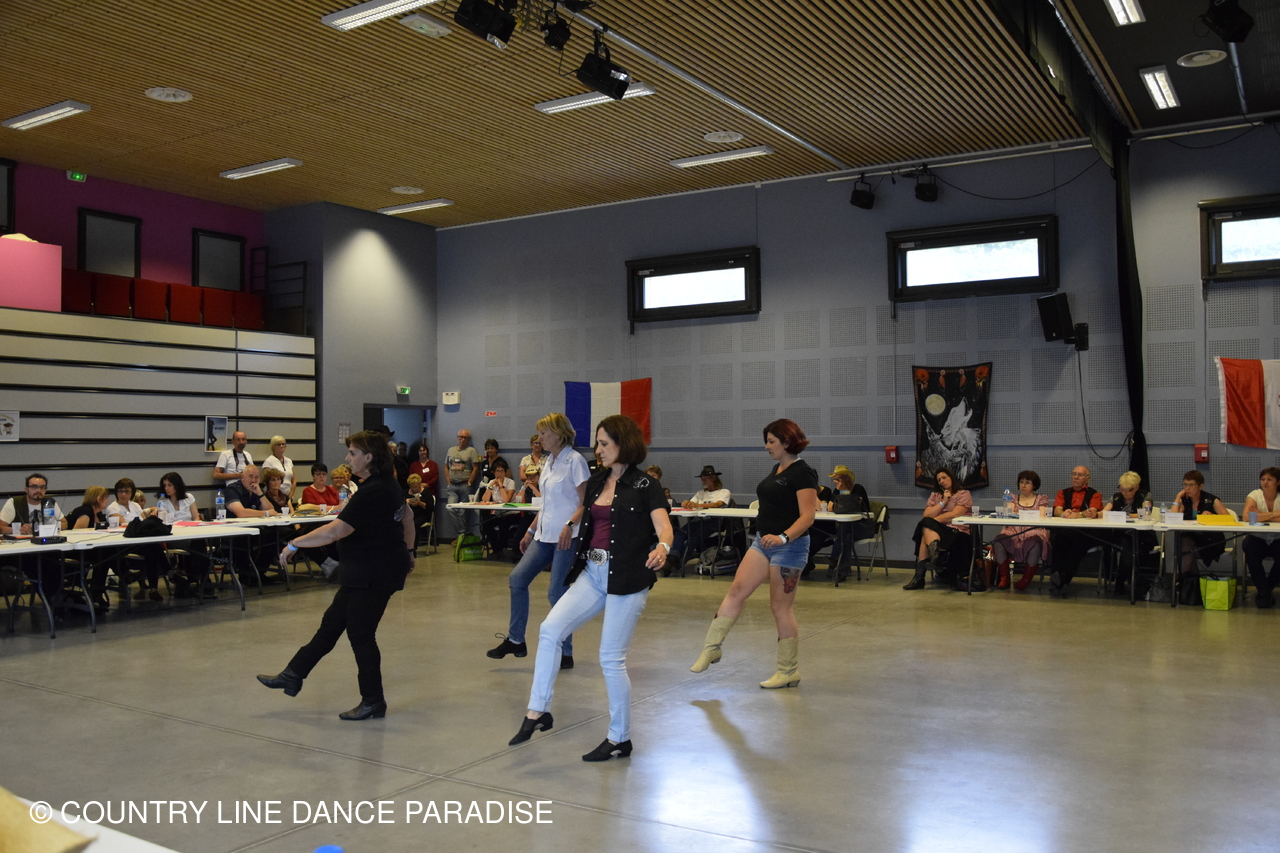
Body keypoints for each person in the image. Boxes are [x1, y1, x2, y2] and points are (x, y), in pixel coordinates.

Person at [509, 414, 672, 761]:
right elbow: (582, 508)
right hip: (593, 573)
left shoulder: (646, 485)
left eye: (604, 444)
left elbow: (663, 525)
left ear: (623, 444)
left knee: (610, 659)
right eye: (598, 443)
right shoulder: (598, 479)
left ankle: (619, 738)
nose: (598, 450)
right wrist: (567, 524)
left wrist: (663, 547)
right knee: (550, 630)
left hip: (627, 579)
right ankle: (537, 711)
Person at [256, 430, 416, 721]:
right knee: (330, 626)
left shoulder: (374, 490)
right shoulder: (386, 484)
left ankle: (373, 701)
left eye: (353, 453)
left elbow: (337, 530)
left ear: (369, 457)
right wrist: (409, 550)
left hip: (373, 573)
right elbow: (408, 517)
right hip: (366, 571)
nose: (347, 457)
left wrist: (295, 543)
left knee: (361, 635)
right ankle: (293, 674)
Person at [690, 418, 817, 688]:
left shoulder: (803, 473)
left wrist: (783, 537)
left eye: (771, 441)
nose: (767, 446)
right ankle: (712, 648)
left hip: (789, 546)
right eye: (766, 441)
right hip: (763, 543)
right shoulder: (777, 469)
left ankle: (788, 671)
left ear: (787, 442)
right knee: (736, 591)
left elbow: (808, 516)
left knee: (780, 608)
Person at [488, 414, 591, 667]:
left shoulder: (575, 461)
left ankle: (565, 653)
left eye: (544, 433)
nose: (539, 438)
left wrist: (569, 526)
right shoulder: (549, 462)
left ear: (558, 434)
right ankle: (516, 640)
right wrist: (530, 531)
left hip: (566, 538)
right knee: (517, 579)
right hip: (544, 536)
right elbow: (546, 503)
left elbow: (585, 504)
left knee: (557, 592)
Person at [804, 465, 873, 580]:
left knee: (845, 532)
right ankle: (842, 570)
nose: (835, 482)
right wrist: (839, 491)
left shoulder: (858, 489)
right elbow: (830, 508)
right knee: (846, 535)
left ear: (846, 479)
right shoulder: (836, 490)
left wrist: (844, 491)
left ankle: (836, 559)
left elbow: (850, 507)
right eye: (834, 479)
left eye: (837, 479)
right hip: (846, 528)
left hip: (862, 526)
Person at [1047, 465, 1103, 597]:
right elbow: (1057, 510)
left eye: (1080, 475)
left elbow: (1092, 512)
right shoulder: (1063, 492)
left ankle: (1061, 579)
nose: (1076, 477)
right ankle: (1060, 580)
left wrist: (1078, 515)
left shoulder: (1095, 494)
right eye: (1074, 474)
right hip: (1066, 529)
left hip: (1086, 532)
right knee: (1058, 541)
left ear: (1088, 479)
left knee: (1077, 546)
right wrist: (1063, 513)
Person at [991, 470, 1051, 591]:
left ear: (1034, 485)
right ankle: (1004, 577)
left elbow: (1042, 517)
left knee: (1034, 542)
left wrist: (1021, 515)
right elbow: (1009, 514)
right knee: (999, 540)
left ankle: (1026, 579)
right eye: (1021, 482)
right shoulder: (1013, 498)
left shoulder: (1041, 499)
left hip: (1033, 530)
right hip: (1014, 530)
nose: (1023, 485)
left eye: (1027, 482)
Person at [1101, 471, 1155, 597]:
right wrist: (1094, 514)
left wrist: (1124, 515)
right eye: (1122, 489)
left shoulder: (1145, 496)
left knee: (1128, 546)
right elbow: (1105, 512)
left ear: (1136, 487)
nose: (1124, 492)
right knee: (1127, 544)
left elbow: (1146, 513)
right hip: (1119, 535)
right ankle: (1130, 582)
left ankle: (1120, 583)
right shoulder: (1116, 497)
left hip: (1141, 537)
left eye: (1128, 490)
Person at [1170, 469, 1227, 580]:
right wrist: (1178, 497)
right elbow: (1172, 519)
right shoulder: (1183, 500)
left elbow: (1228, 519)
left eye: (1191, 485)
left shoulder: (1211, 500)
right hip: (1191, 541)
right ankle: (1191, 583)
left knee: (1184, 550)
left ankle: (1185, 583)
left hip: (1210, 542)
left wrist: (1212, 517)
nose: (1187, 488)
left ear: (1201, 486)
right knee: (1184, 544)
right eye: (1185, 484)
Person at [66, 486, 113, 611]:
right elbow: (77, 534)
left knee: (110, 552)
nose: (108, 501)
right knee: (106, 554)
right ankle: (97, 591)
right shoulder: (85, 512)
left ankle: (97, 590)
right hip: (74, 550)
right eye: (105, 498)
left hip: (88, 549)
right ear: (98, 499)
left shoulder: (99, 514)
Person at [1243, 467, 1280, 608]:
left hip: (1278, 538)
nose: (1265, 482)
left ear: (1278, 482)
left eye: (1270, 479)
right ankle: (1265, 592)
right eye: (1263, 479)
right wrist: (1274, 514)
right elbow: (1247, 517)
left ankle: (1265, 591)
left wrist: (1260, 515)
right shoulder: (1255, 495)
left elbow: (1255, 518)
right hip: (1258, 538)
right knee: (1249, 547)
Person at [445, 429, 482, 537]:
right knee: (450, 508)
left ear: (468, 439)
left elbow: (476, 468)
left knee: (462, 512)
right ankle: (463, 533)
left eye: (464, 437)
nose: (462, 439)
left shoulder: (471, 451)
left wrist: (469, 482)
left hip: (465, 485)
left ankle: (462, 537)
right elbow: (446, 466)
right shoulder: (451, 450)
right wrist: (448, 481)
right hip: (452, 485)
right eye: (460, 437)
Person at [1, 473, 67, 534]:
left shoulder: (49, 502)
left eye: (42, 487)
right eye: (34, 487)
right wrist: (18, 530)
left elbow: (64, 523)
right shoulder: (14, 502)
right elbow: (1, 527)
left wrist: (48, 528)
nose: (39, 490)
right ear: (26, 489)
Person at [479, 459, 518, 558]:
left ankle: (502, 549)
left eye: (501, 471)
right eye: (497, 471)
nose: (499, 473)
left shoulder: (510, 482)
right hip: (498, 513)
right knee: (486, 523)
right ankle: (497, 549)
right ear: (494, 472)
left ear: (505, 472)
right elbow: (484, 499)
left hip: (511, 513)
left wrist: (501, 486)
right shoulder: (491, 482)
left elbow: (506, 500)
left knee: (504, 524)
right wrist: (490, 486)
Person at [260, 436, 298, 505]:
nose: (281, 446)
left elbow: (294, 480)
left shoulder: (289, 461)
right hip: (274, 498)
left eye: (283, 444)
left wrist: (290, 496)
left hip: (288, 497)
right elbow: (268, 482)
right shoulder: (268, 462)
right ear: (273, 446)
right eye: (278, 444)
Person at [406, 474, 433, 549]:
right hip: (410, 514)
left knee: (414, 524)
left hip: (423, 514)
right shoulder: (405, 493)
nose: (414, 489)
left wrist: (420, 503)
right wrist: (406, 503)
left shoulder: (426, 492)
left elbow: (431, 507)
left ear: (419, 484)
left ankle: (413, 547)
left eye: (416, 487)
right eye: (412, 487)